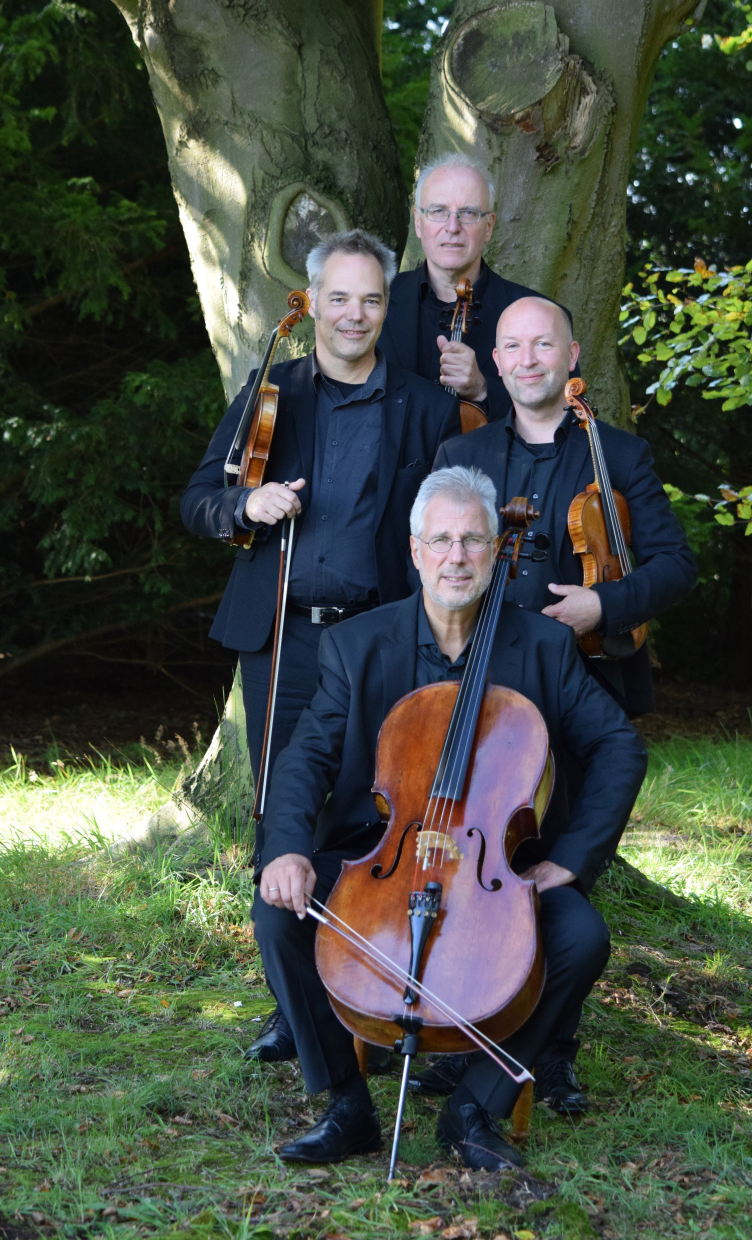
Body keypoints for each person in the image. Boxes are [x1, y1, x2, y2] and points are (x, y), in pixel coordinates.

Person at [253, 466, 647, 1169]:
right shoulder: (357, 645)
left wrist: (575, 857)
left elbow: (618, 745)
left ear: (497, 551)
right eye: (441, 540)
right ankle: (346, 1104)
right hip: (382, 854)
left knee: (581, 937)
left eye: (472, 540)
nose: (456, 557)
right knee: (280, 914)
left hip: (496, 868)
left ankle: (472, 1107)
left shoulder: (542, 647)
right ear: (414, 552)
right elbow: (302, 759)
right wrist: (285, 848)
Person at [181, 230, 461, 1061]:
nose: (355, 314)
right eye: (338, 298)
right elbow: (197, 498)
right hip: (285, 643)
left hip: (380, 642)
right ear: (311, 307)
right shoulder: (273, 394)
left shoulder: (425, 406)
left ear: (386, 306)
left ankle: (372, 988)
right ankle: (293, 1001)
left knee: (374, 811)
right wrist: (246, 508)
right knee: (285, 811)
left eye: (371, 299)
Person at [429, 297, 697, 1111]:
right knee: (478, 861)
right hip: (478, 683)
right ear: (496, 361)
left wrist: (603, 607)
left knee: (563, 874)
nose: (527, 357)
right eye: (511, 345)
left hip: (583, 683)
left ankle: (553, 1047)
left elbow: (674, 565)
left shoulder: (616, 453)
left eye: (542, 342)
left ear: (569, 353)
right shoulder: (463, 451)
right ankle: (460, 1020)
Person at [379, 154, 572, 419]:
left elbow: (565, 418)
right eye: (438, 211)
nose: (452, 227)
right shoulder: (377, 300)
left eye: (468, 213)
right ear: (418, 222)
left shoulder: (544, 317)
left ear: (489, 226)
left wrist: (483, 389)